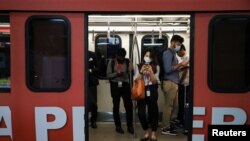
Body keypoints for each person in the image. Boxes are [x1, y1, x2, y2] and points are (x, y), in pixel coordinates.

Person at [161, 35, 189, 135]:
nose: (179, 46)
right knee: (169, 106)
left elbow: (174, 68)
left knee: (175, 106)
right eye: (178, 44)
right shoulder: (167, 53)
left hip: (174, 82)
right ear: (172, 42)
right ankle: (165, 127)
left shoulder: (173, 54)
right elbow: (168, 69)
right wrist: (181, 64)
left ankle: (169, 123)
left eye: (180, 44)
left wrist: (183, 66)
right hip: (169, 82)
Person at [106, 48, 134, 134]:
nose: (121, 58)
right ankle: (118, 126)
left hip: (125, 85)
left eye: (123, 57)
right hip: (115, 85)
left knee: (128, 106)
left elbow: (132, 73)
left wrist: (131, 70)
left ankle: (130, 126)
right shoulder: (112, 63)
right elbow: (108, 75)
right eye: (120, 57)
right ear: (116, 55)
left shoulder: (128, 61)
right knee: (116, 106)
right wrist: (116, 73)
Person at [134, 49, 160, 141]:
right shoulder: (139, 66)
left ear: (152, 58)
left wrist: (151, 72)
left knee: (153, 111)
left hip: (152, 89)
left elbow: (154, 81)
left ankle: (153, 133)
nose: (147, 57)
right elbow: (136, 79)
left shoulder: (156, 66)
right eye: (146, 55)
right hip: (142, 89)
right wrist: (141, 71)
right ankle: (146, 132)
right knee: (141, 112)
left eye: (149, 56)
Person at [176, 45, 190, 133]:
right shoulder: (184, 58)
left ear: (182, 50)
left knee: (184, 103)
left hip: (185, 84)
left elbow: (185, 71)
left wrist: (180, 82)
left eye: (178, 52)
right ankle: (181, 120)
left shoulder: (187, 57)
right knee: (181, 102)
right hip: (183, 83)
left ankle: (184, 122)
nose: (177, 54)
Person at [88, 50, 100, 128]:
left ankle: (93, 121)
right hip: (79, 83)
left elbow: (98, 67)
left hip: (91, 82)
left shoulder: (92, 54)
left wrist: (91, 70)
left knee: (93, 103)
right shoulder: (77, 53)